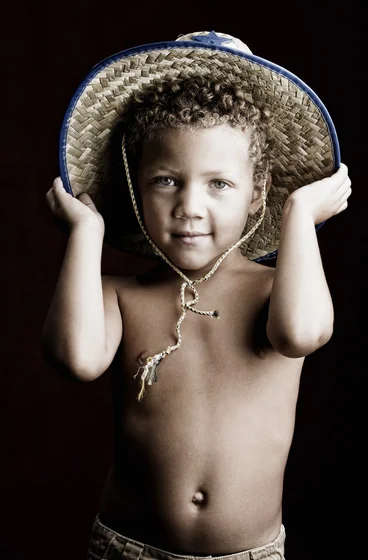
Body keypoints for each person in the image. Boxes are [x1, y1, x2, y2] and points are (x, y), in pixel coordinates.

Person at [42, 31, 351, 560]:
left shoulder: (277, 291)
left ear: (258, 192)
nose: (189, 205)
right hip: (127, 547)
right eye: (165, 180)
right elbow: (76, 358)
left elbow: (300, 333)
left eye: (219, 184)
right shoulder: (121, 297)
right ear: (137, 188)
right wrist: (85, 234)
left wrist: (299, 213)